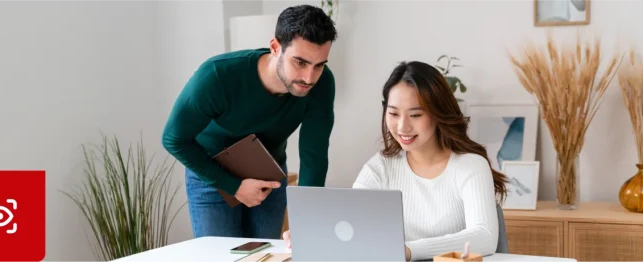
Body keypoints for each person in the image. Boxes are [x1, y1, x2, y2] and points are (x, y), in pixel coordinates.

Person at [283, 61, 509, 261]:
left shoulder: (470, 166)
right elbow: (351, 222)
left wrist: (409, 251)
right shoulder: (380, 166)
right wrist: (314, 233)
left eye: (415, 115)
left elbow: (484, 236)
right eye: (393, 114)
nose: (402, 127)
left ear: (439, 113)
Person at [161, 4, 337, 239]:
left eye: (319, 65)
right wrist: (233, 186)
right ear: (275, 47)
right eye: (300, 62)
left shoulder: (322, 83)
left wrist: (306, 219)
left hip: (269, 176)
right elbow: (174, 139)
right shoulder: (217, 76)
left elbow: (314, 156)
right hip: (213, 176)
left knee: (268, 254)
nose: (309, 78)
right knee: (220, 257)